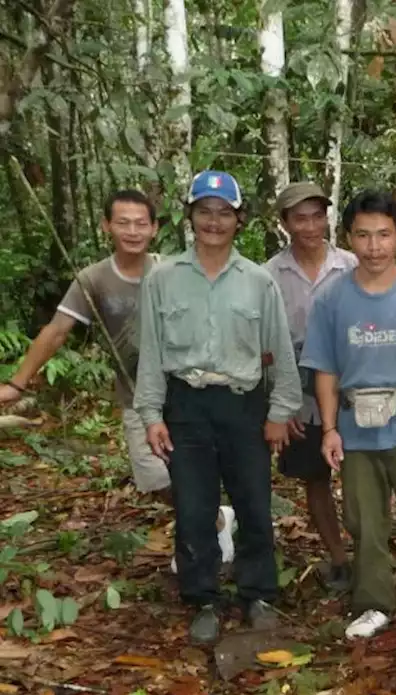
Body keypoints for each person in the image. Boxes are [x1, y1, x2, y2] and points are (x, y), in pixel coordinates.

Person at [135, 171, 302, 644]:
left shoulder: (258, 281)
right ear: (189, 217)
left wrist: (280, 411)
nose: (213, 221)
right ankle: (203, 598)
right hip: (185, 403)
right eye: (204, 211)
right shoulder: (163, 279)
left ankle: (257, 594)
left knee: (253, 500)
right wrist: (151, 415)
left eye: (223, 212)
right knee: (193, 505)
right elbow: (151, 352)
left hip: (243, 402)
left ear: (239, 219)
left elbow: (280, 352)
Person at [300, 190, 396, 641]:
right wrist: (327, 429)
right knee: (365, 521)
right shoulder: (331, 300)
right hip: (357, 426)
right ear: (348, 238)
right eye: (363, 235)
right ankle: (374, 602)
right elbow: (325, 368)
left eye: (384, 234)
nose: (374, 246)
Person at [0, 190, 170, 496]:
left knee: (193, 472)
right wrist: (17, 384)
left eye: (141, 223)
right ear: (106, 226)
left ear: (154, 228)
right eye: (123, 223)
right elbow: (56, 331)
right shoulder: (93, 280)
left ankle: (210, 533)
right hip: (137, 397)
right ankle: (217, 523)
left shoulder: (171, 272)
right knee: (157, 482)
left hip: (183, 393)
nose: (133, 232)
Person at [265, 182, 357, 590]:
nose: (310, 226)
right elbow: (265, 347)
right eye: (300, 218)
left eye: (317, 216)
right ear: (284, 223)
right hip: (299, 396)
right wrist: (281, 406)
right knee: (315, 478)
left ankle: (368, 552)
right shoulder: (268, 276)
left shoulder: (351, 265)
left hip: (352, 392)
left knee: (361, 475)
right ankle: (337, 558)